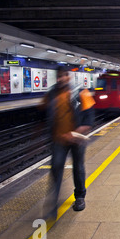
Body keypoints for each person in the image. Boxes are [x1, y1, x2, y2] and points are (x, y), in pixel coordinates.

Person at [41, 66, 95, 219]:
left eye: (62, 76)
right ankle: (53, 204)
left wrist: (78, 132)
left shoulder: (81, 92)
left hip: (76, 139)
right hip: (59, 139)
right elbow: (43, 111)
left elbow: (90, 117)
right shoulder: (51, 94)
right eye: (57, 76)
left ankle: (80, 197)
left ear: (68, 77)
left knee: (78, 168)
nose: (59, 79)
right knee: (56, 168)